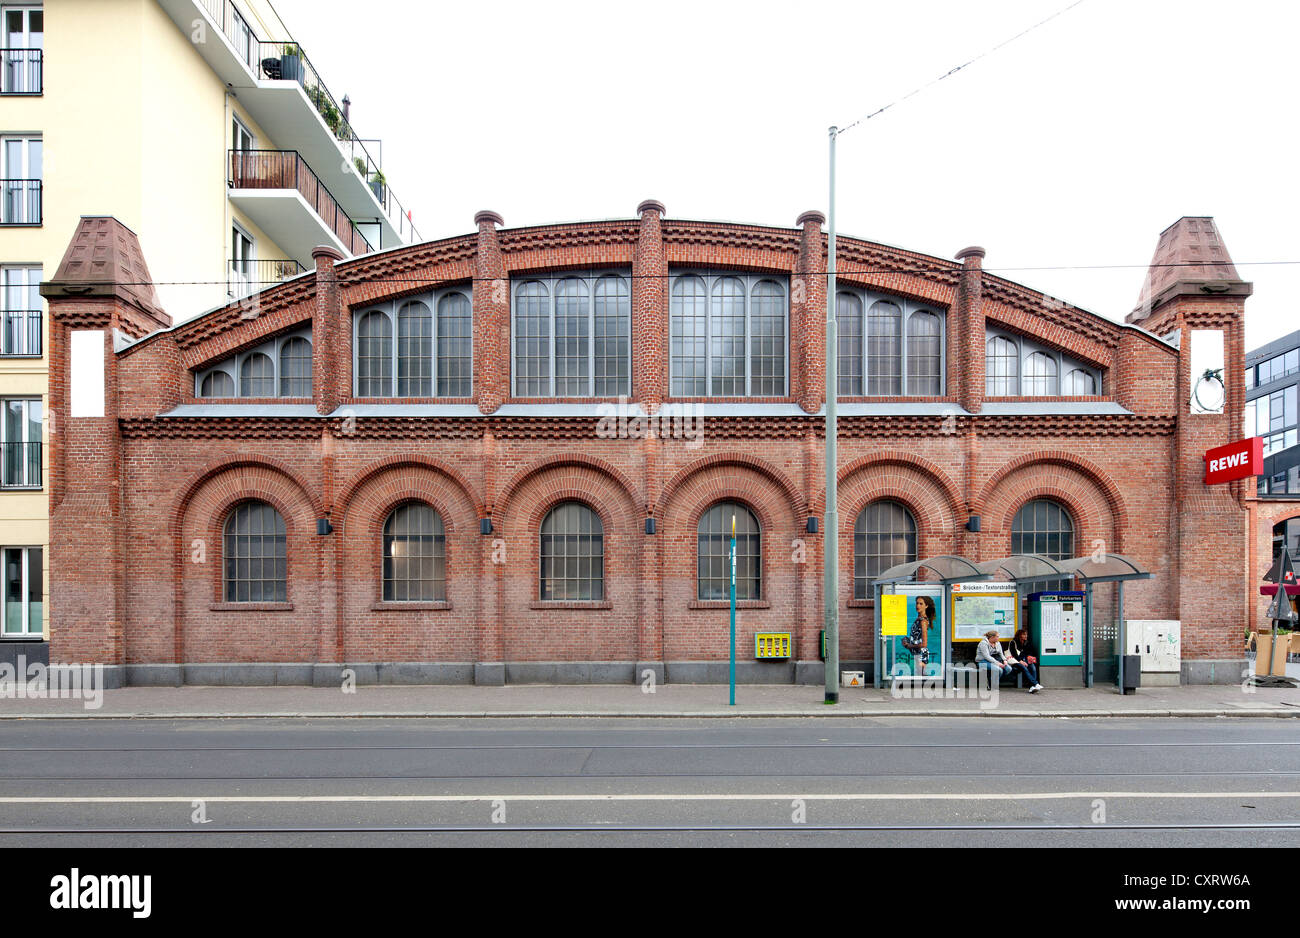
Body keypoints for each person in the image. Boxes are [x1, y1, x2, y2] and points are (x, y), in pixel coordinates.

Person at [901, 595, 937, 676]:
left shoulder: (923, 621)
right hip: (917, 653)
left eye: (921, 604)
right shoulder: (919, 619)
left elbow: (924, 644)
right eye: (917, 603)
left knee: (921, 676)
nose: (918, 606)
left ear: (926, 606)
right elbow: (916, 637)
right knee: (919, 675)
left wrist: (909, 646)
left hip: (921, 654)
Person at [1008, 628, 1044, 693]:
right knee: (1024, 668)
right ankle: (1035, 684)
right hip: (1015, 661)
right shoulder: (1013, 642)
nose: (1026, 636)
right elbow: (1014, 654)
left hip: (1024, 660)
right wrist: (1020, 661)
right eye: (1024, 634)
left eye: (1026, 634)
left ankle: (1032, 687)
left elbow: (1030, 652)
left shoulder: (1026, 643)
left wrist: (1029, 657)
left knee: (1033, 667)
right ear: (1019, 635)